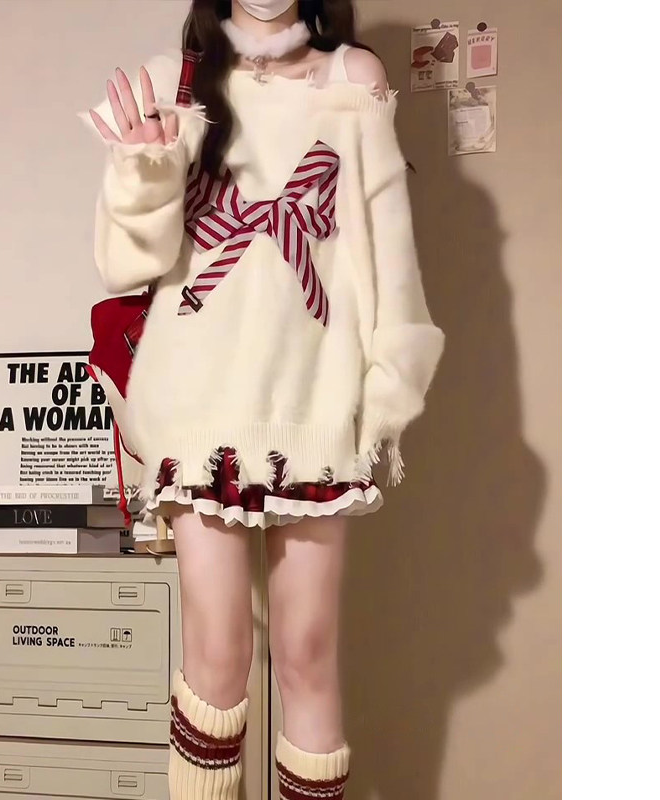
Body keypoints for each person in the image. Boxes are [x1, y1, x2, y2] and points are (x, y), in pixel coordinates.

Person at [83, 1, 446, 797]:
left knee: (307, 655)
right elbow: (125, 264)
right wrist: (145, 168)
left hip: (312, 403)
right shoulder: (173, 81)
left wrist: (385, 389)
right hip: (197, 403)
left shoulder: (352, 77)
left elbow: (387, 250)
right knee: (217, 655)